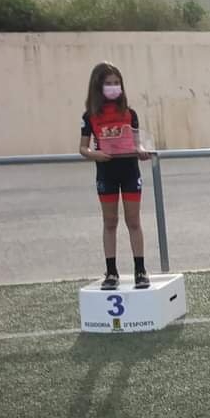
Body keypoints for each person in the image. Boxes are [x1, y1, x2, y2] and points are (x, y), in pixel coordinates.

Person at [78, 61, 151, 290]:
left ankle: (140, 270)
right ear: (98, 86)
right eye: (108, 83)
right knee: (110, 221)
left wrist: (141, 151)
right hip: (106, 173)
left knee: (133, 221)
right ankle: (111, 272)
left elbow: (137, 143)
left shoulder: (130, 113)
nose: (113, 87)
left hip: (129, 171)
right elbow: (83, 148)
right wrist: (95, 155)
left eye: (117, 83)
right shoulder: (90, 116)